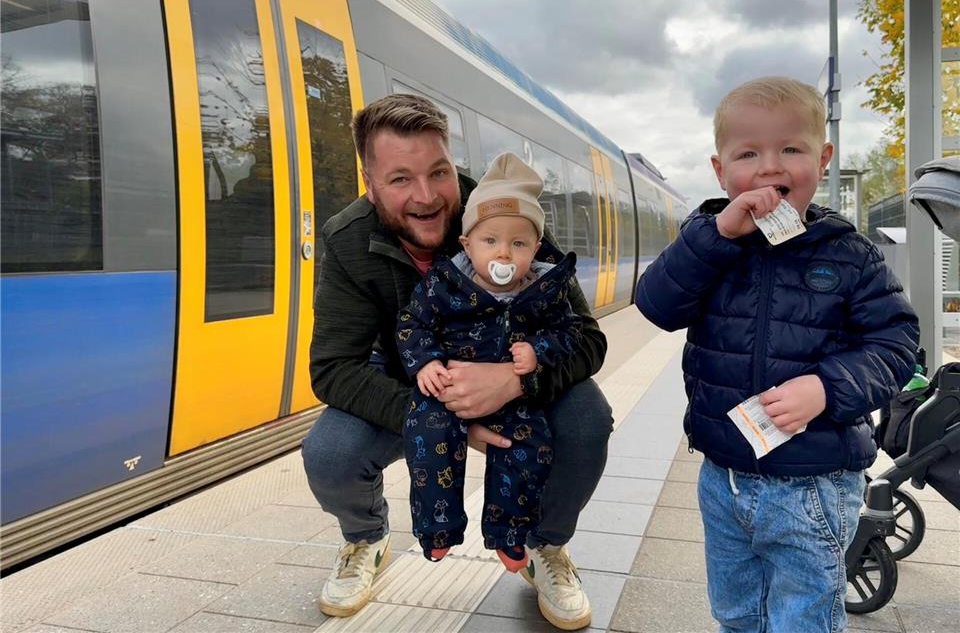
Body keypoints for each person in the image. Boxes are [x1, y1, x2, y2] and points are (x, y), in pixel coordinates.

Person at [302, 93, 611, 631]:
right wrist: (449, 414)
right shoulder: (348, 242)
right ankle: (366, 539)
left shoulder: (504, 209)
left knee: (588, 417)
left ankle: (546, 546)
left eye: (438, 172)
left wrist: (516, 381)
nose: (426, 197)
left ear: (453, 164)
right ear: (369, 182)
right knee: (329, 451)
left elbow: (587, 338)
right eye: (400, 179)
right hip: (416, 388)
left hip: (516, 375)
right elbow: (333, 369)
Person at [635, 77, 919, 632]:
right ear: (721, 171)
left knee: (803, 619)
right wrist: (716, 235)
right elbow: (657, 305)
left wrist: (827, 389)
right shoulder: (709, 241)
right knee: (736, 612)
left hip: (815, 480)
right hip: (724, 475)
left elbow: (898, 344)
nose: (769, 167)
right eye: (748, 153)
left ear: (823, 157)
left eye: (790, 148)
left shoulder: (849, 254)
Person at [397, 152, 582, 573]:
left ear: (536, 248)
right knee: (428, 433)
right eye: (490, 241)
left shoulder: (544, 289)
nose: (504, 254)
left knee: (531, 448)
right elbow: (412, 323)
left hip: (514, 395)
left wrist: (539, 352)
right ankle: (436, 527)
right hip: (448, 389)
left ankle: (509, 533)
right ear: (467, 244)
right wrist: (423, 363)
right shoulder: (444, 284)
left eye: (518, 244)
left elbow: (572, 333)